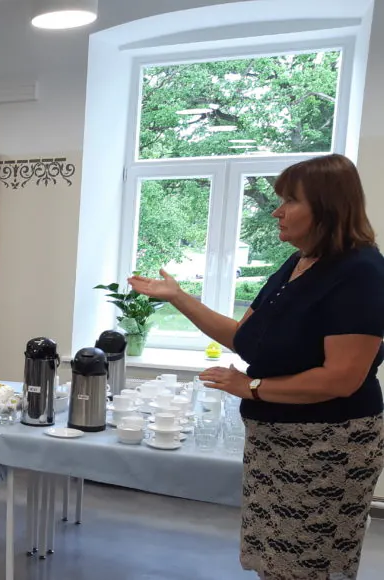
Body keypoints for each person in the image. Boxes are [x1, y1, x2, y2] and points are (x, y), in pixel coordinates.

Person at [129, 153, 384, 580]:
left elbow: (342, 378)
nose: (277, 211)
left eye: (290, 200)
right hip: (274, 441)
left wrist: (250, 386)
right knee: (273, 560)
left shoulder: (361, 272)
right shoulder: (298, 263)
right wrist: (178, 297)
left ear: (327, 207)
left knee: (304, 566)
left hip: (327, 446)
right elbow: (243, 337)